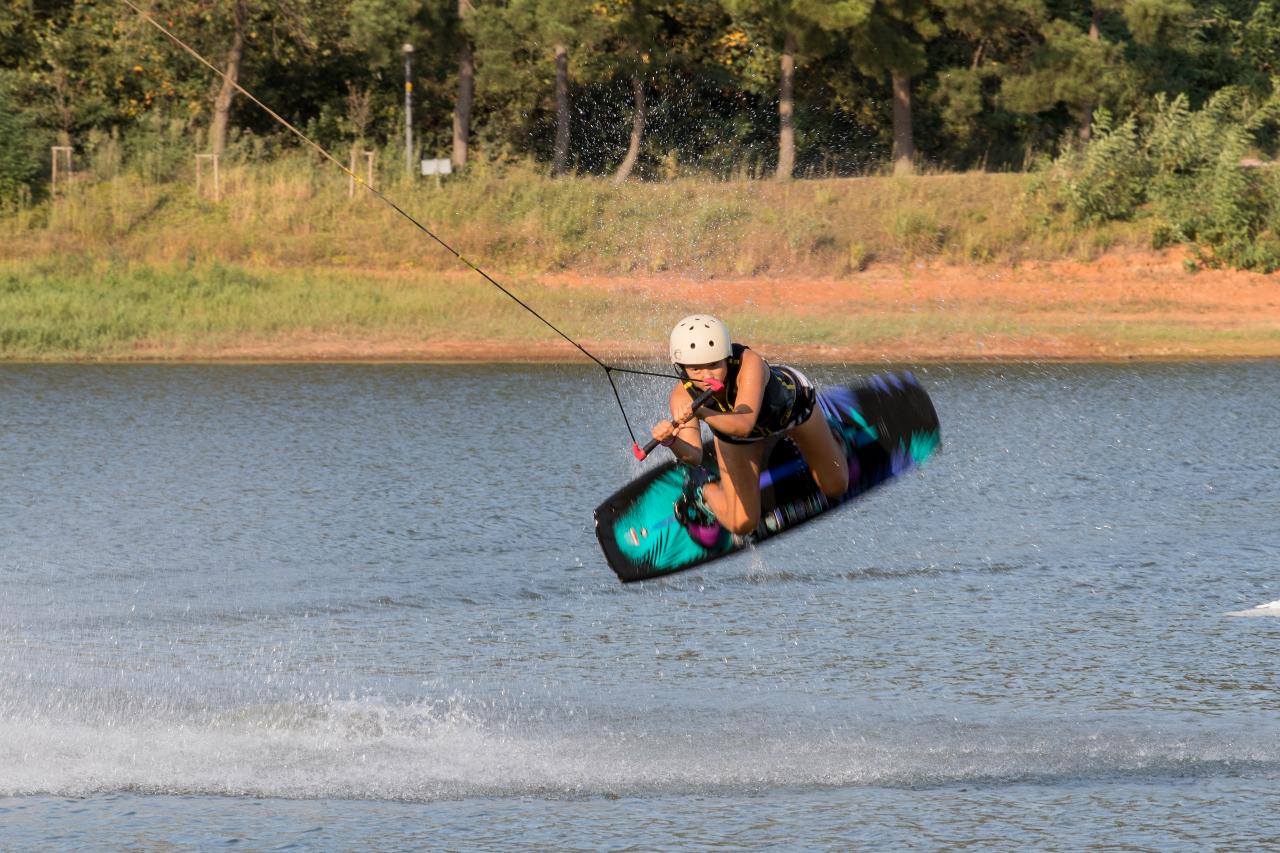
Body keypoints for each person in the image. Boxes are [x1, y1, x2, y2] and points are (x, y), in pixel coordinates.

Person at [650, 314, 849, 544]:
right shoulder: (681, 396)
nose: (707, 376)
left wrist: (702, 413)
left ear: (727, 356)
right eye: (696, 369)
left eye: (715, 364)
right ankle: (701, 488)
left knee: (837, 487)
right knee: (742, 525)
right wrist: (672, 442)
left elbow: (744, 424)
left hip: (791, 410)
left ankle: (831, 433)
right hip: (736, 438)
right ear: (682, 367)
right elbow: (694, 456)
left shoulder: (749, 362)